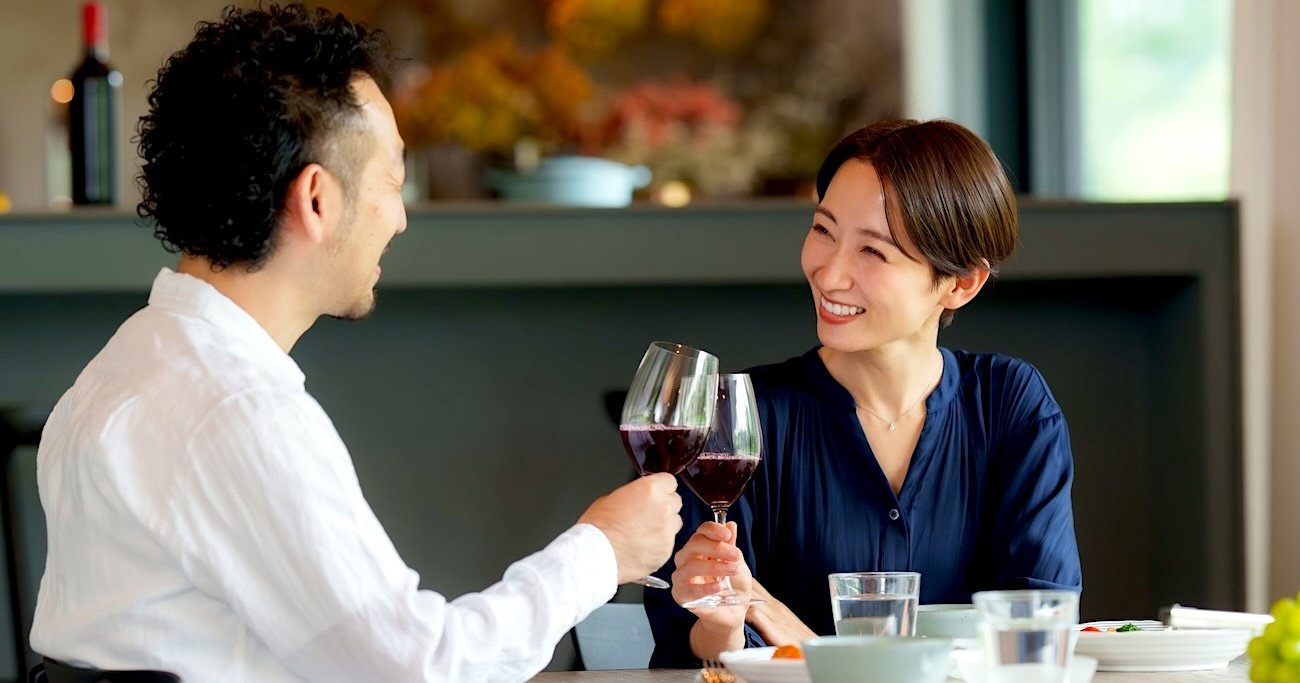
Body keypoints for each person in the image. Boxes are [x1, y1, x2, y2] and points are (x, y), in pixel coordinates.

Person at [29, 5, 683, 682]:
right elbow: (418, 670)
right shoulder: (237, 409)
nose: (399, 220)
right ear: (317, 198)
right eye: (392, 183)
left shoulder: (123, 367)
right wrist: (601, 551)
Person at [646, 119, 1083, 666]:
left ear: (960, 283)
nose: (829, 275)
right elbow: (692, 651)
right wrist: (726, 623)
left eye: (873, 252)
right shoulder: (733, 418)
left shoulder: (1011, 405)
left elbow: (1036, 635)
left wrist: (789, 627)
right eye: (824, 230)